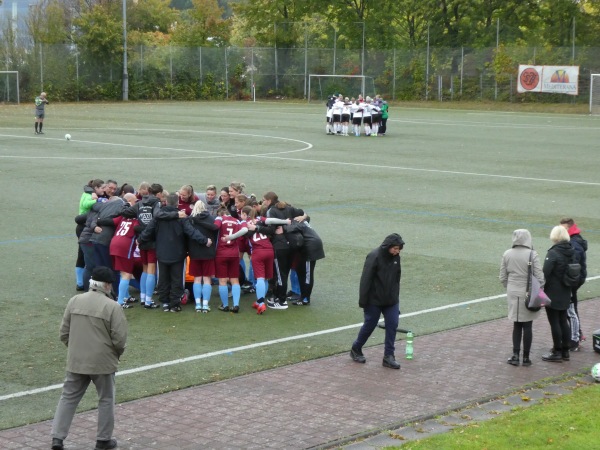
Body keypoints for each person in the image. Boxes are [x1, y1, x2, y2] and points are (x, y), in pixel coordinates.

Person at [51, 266, 128, 450]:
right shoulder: (113, 307)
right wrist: (114, 355)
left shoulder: (74, 300)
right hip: (103, 362)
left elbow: (64, 333)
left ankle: (57, 439)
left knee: (68, 398)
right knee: (106, 399)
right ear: (108, 285)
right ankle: (103, 440)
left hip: (76, 361)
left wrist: (76, 349)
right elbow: (119, 340)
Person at [139, 194, 212, 312]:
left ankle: (165, 303)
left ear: (166, 202)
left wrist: (139, 240)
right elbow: (191, 232)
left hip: (162, 253)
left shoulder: (159, 217)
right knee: (177, 279)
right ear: (177, 203)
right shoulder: (182, 217)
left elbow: (148, 231)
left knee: (163, 279)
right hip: (178, 254)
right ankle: (175, 304)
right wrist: (205, 240)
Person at [350, 233, 405, 369]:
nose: (397, 251)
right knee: (370, 324)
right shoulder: (374, 256)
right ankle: (356, 348)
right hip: (373, 300)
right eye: (395, 248)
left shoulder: (396, 258)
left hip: (391, 300)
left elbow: (397, 280)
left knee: (392, 324)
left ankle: (389, 356)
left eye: (399, 249)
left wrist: (395, 299)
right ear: (388, 247)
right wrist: (363, 301)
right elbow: (366, 280)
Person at [499, 229, 544, 367]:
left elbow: (502, 277)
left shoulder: (507, 254)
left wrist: (511, 287)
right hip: (528, 292)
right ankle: (526, 357)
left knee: (516, 324)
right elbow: (540, 278)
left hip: (513, 292)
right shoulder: (532, 254)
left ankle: (515, 355)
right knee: (528, 325)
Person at [541, 226, 574, 363]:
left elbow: (545, 273)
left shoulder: (553, 253)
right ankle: (566, 351)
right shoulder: (571, 251)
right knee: (563, 320)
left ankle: (557, 351)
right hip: (566, 290)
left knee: (554, 321)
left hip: (553, 292)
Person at [559, 217, 588, 350]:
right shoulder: (576, 240)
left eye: (563, 229)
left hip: (572, 281)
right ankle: (576, 335)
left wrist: (566, 281)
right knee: (572, 308)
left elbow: (572, 266)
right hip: (575, 279)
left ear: (569, 228)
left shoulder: (574, 244)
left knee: (570, 310)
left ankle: (575, 339)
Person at [188, 201, 219, 312]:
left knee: (197, 279)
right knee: (207, 279)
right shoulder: (212, 219)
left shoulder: (190, 220)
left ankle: (197, 304)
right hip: (208, 253)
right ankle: (205, 304)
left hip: (194, 253)